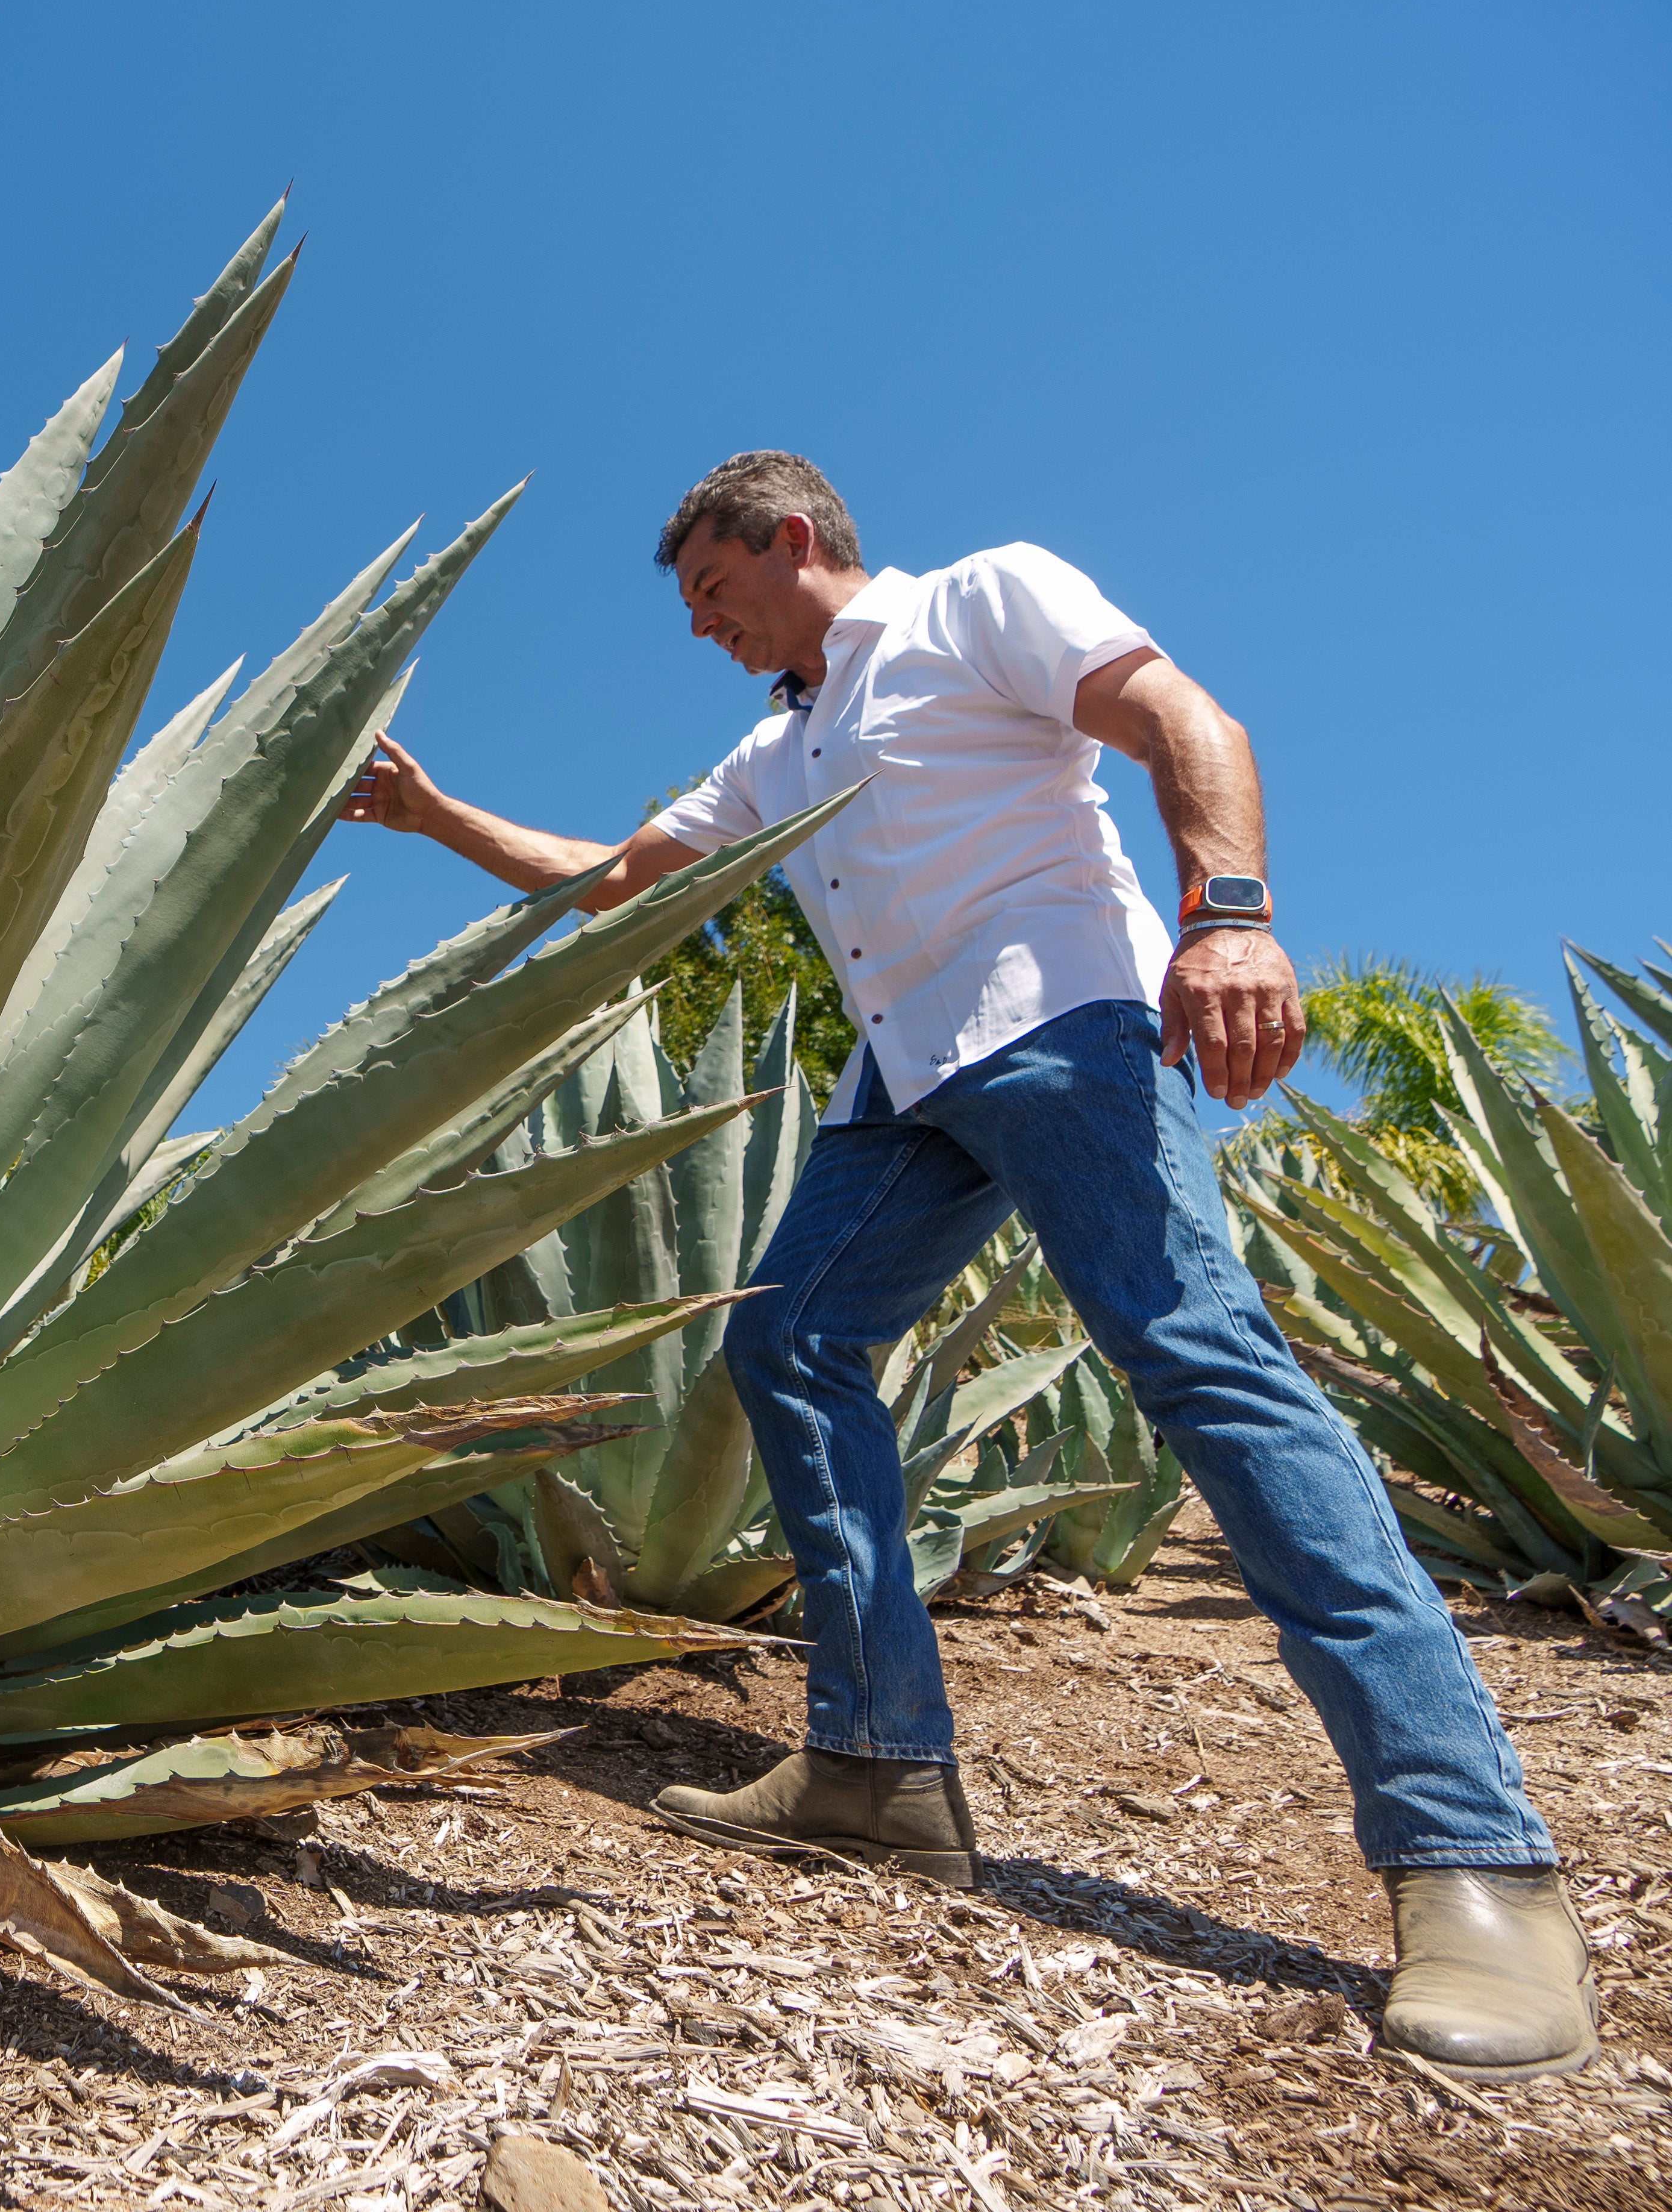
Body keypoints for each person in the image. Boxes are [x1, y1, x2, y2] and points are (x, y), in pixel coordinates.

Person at [338, 451, 1594, 2080]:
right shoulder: (775, 749)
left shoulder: (978, 599)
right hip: (908, 1085)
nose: (703, 627)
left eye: (714, 591)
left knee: (1205, 1370)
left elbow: (1184, 719)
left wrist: (1229, 915)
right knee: (784, 1344)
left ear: (792, 540)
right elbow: (614, 878)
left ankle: (1474, 1860)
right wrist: (435, 814)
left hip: (1068, 1029)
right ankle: (879, 1773)